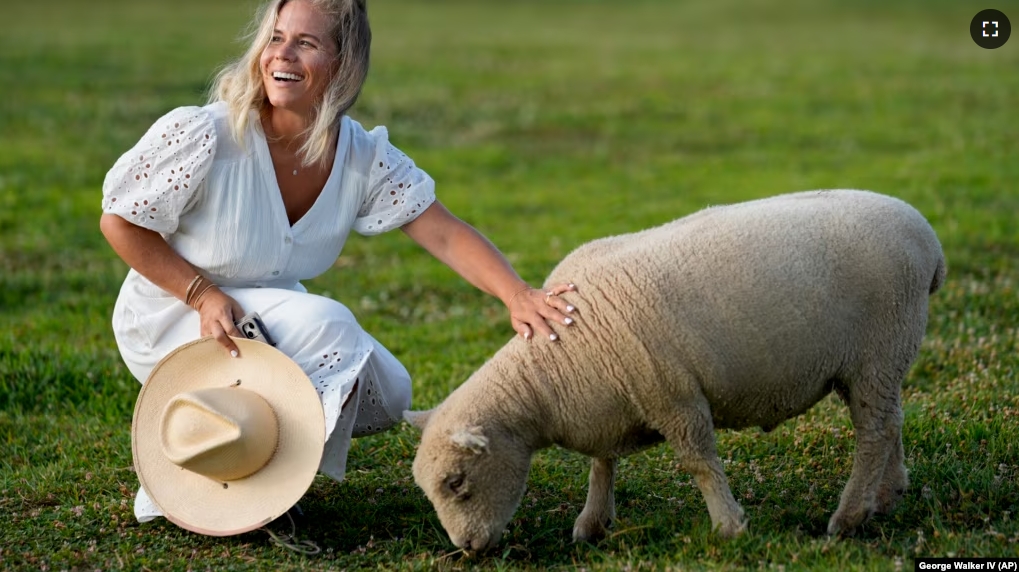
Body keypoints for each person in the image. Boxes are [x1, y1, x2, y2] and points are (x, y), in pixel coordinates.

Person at [99, 0, 577, 524]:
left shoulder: (360, 156)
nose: (281, 54)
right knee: (328, 324)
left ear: (343, 62)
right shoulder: (209, 134)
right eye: (276, 37)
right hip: (174, 312)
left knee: (389, 392)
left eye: (305, 43)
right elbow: (120, 223)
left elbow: (442, 233)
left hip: (264, 317)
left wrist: (517, 294)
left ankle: (228, 448)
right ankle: (234, 481)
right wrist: (200, 294)